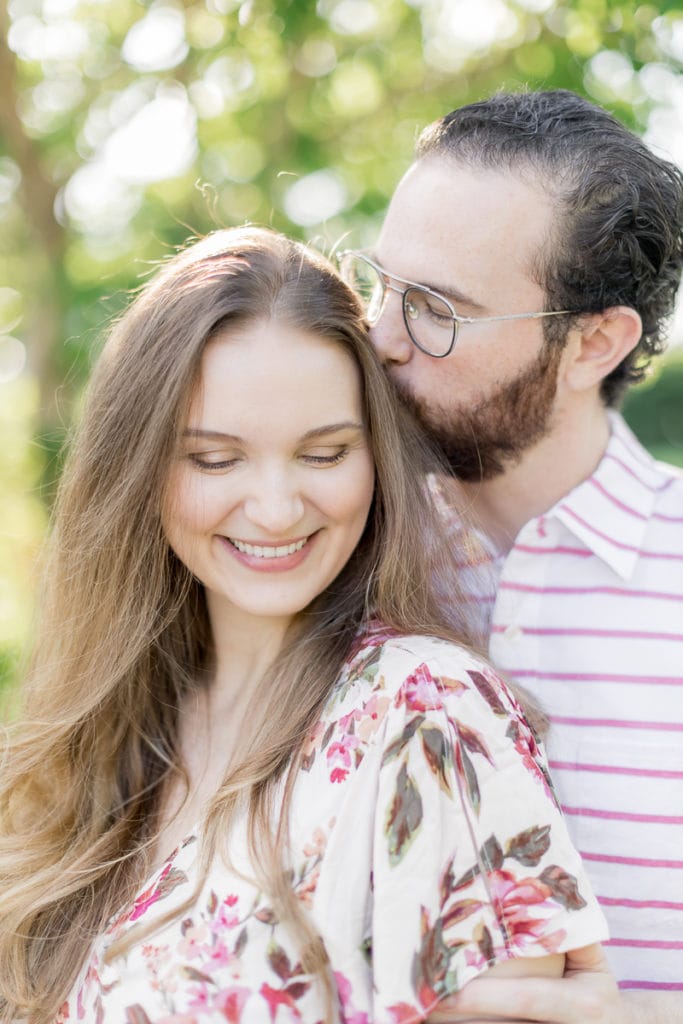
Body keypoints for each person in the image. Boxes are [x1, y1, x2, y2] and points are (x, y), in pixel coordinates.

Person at [0, 227, 607, 1023]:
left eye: (324, 454)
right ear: (138, 468)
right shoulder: (80, 749)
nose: (278, 509)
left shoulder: (428, 717)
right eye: (216, 460)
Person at [339, 90, 683, 1023]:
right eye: (380, 283)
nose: (380, 335)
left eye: (436, 311)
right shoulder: (322, 551)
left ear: (592, 342)